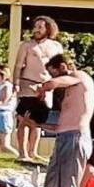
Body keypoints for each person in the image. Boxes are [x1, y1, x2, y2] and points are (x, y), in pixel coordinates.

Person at [32, 52, 94, 187]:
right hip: (63, 136)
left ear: (63, 67)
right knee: (52, 185)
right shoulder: (71, 93)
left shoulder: (79, 76)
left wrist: (43, 88)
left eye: (53, 72)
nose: (53, 77)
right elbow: (60, 125)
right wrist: (36, 124)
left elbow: (53, 83)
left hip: (75, 137)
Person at [12, 15, 63, 163]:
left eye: (40, 27)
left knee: (38, 121)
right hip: (28, 84)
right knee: (23, 119)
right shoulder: (26, 45)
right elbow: (18, 66)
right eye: (36, 26)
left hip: (47, 86)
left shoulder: (56, 46)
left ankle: (32, 151)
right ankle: (22, 152)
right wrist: (15, 82)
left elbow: (61, 66)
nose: (37, 29)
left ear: (48, 29)